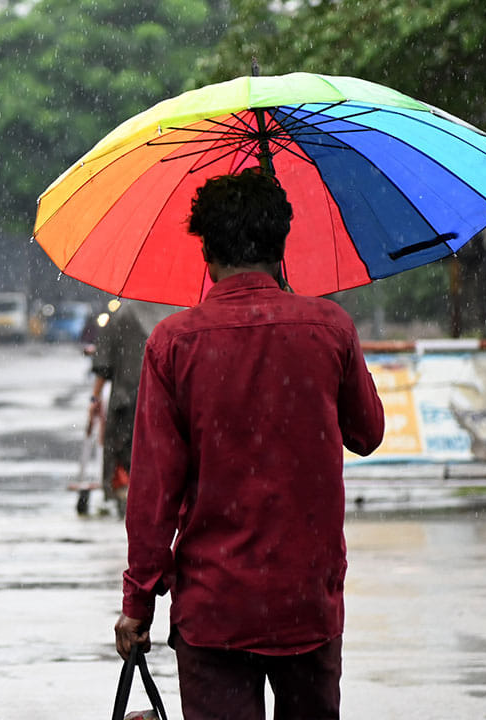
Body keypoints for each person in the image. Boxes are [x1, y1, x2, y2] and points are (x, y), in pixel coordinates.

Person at [113, 168, 385, 720]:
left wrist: (137, 601)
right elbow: (368, 433)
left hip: (215, 609)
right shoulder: (330, 328)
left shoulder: (173, 343)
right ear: (282, 244)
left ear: (206, 253)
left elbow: (153, 492)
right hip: (307, 601)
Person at [88, 303, 149, 515]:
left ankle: (126, 494)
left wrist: (94, 399)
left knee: (124, 449)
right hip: (164, 402)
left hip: (126, 398)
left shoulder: (123, 315)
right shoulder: (177, 312)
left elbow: (103, 363)